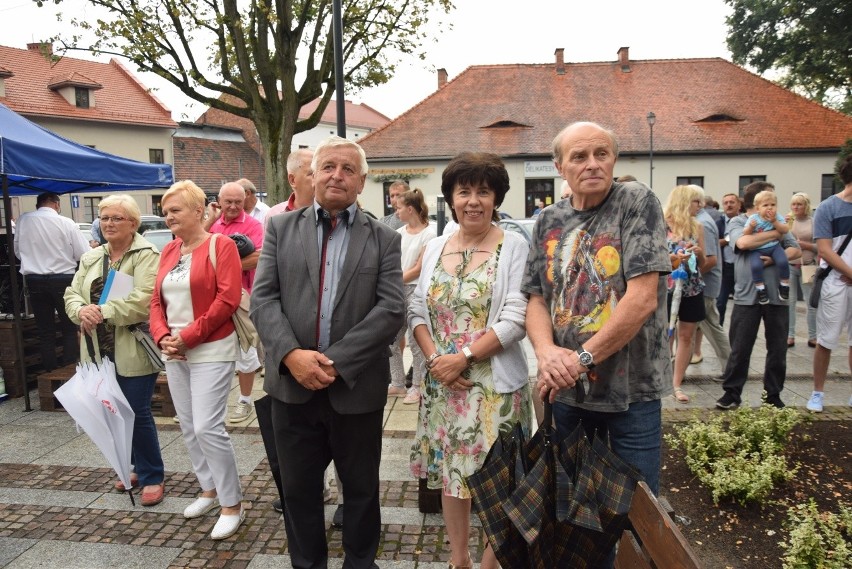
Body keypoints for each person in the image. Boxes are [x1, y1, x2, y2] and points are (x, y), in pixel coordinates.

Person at [250, 136, 404, 569]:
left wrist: (334, 362)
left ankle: (360, 562)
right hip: (290, 387)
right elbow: (263, 300)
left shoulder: (385, 238)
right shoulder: (280, 228)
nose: (338, 175)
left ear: (362, 182)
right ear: (311, 175)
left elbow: (392, 308)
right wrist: (292, 357)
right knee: (297, 490)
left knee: (360, 490)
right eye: (329, 166)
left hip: (355, 387)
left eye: (348, 169)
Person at [523, 121, 671, 503]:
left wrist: (580, 358)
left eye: (601, 154)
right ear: (560, 167)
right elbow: (537, 297)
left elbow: (642, 299)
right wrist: (545, 353)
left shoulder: (636, 202)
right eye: (579, 156)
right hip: (568, 394)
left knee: (635, 513)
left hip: (630, 393)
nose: (592, 164)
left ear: (614, 159)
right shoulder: (547, 220)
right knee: (575, 508)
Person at [409, 152, 530, 569]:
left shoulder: (514, 246)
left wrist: (462, 357)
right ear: (450, 199)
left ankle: (489, 564)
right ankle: (459, 561)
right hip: (443, 386)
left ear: (496, 198)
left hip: (493, 388)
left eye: (484, 191)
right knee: (451, 479)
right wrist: (434, 361)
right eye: (464, 191)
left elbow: (516, 319)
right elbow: (416, 311)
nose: (473, 200)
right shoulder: (435, 244)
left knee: (500, 483)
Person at [150, 180, 245, 540]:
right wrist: (163, 336)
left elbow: (227, 299)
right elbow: (155, 301)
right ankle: (208, 488)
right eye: (165, 212)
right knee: (188, 425)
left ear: (197, 210)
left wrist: (187, 336)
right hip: (173, 349)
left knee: (208, 426)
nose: (168, 216)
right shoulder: (169, 251)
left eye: (175, 210)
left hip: (211, 347)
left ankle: (232, 503)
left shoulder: (221, 245)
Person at [63, 194, 165, 506]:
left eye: (117, 218)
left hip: (132, 347)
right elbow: (71, 293)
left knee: (136, 411)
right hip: (96, 349)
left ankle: (153, 475)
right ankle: (131, 465)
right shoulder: (92, 257)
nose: (109, 223)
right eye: (105, 218)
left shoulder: (147, 255)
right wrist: (81, 311)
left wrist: (102, 311)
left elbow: (145, 298)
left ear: (133, 223)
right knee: (113, 411)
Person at [716, 182, 800, 410]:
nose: (771, 206)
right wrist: (775, 233)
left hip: (777, 297)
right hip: (746, 296)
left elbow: (795, 249)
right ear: (757, 202)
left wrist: (774, 257)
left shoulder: (779, 219)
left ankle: (772, 395)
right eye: (768, 201)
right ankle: (732, 393)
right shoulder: (740, 221)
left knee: (777, 349)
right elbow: (742, 242)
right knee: (740, 348)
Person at [14, 192, 90, 372]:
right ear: (56, 204)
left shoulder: (23, 220)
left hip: (34, 279)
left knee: (44, 329)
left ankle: (50, 371)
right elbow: (82, 253)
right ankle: (69, 369)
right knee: (69, 327)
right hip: (63, 278)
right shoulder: (66, 222)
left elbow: (18, 252)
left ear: (37, 204)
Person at [209, 182, 264, 424]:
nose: (232, 206)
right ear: (219, 201)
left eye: (238, 202)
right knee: (213, 352)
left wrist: (217, 266)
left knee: (246, 351)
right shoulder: (211, 223)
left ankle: (244, 400)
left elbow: (259, 258)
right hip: (211, 298)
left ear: (246, 201)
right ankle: (212, 406)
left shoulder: (253, 225)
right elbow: (192, 252)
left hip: (243, 298)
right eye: (228, 201)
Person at [807, 155, 852, 412]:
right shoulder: (828, 207)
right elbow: (825, 249)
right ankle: (818, 393)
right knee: (826, 339)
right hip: (836, 281)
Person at [388, 189, 436, 404]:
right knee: (391, 340)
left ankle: (417, 386)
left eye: (399, 208)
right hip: (398, 290)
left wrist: (393, 280)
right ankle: (397, 383)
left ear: (410, 209)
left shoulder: (430, 233)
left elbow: (419, 268)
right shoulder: (399, 233)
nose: (396, 212)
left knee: (417, 342)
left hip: (415, 290)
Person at [663, 185, 706, 404]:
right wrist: (674, 257)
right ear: (684, 201)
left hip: (692, 287)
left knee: (686, 335)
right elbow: (656, 260)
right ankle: (660, 379)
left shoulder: (697, 227)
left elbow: (704, 263)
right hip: (668, 286)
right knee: (665, 334)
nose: (700, 206)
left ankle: (676, 383)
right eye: (696, 201)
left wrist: (698, 254)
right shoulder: (662, 224)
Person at [691, 189, 731, 376]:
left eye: (687, 201)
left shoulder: (703, 223)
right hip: (704, 284)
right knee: (695, 327)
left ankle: (731, 370)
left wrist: (691, 277)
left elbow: (711, 259)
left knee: (712, 327)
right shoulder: (701, 220)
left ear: (698, 203)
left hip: (705, 286)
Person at [742, 190, 791, 305]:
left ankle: (784, 285)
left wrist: (774, 222)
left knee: (783, 262)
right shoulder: (754, 218)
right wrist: (750, 227)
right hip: (757, 250)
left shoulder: (777, 217)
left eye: (773, 205)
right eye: (765, 205)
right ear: (757, 208)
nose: (770, 208)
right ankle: (760, 289)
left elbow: (785, 230)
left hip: (774, 246)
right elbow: (745, 233)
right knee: (755, 266)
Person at [787, 192, 818, 348]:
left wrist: (806, 246)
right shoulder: (789, 221)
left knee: (810, 302)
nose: (796, 207)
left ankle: (813, 336)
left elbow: (821, 246)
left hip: (808, 265)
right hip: (790, 265)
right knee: (790, 302)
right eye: (794, 204)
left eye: (799, 204)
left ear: (806, 206)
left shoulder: (814, 222)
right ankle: (790, 335)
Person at [264, 149, 314, 227]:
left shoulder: (332, 213)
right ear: (292, 180)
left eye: (319, 173)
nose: (319, 178)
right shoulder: (274, 215)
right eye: (311, 174)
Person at [717, 192, 742, 326]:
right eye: (726, 203)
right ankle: (719, 332)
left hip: (741, 267)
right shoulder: (718, 223)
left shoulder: (746, 221)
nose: (729, 205)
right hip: (725, 267)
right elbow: (714, 242)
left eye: (732, 202)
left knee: (741, 304)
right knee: (720, 302)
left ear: (739, 205)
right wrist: (729, 239)